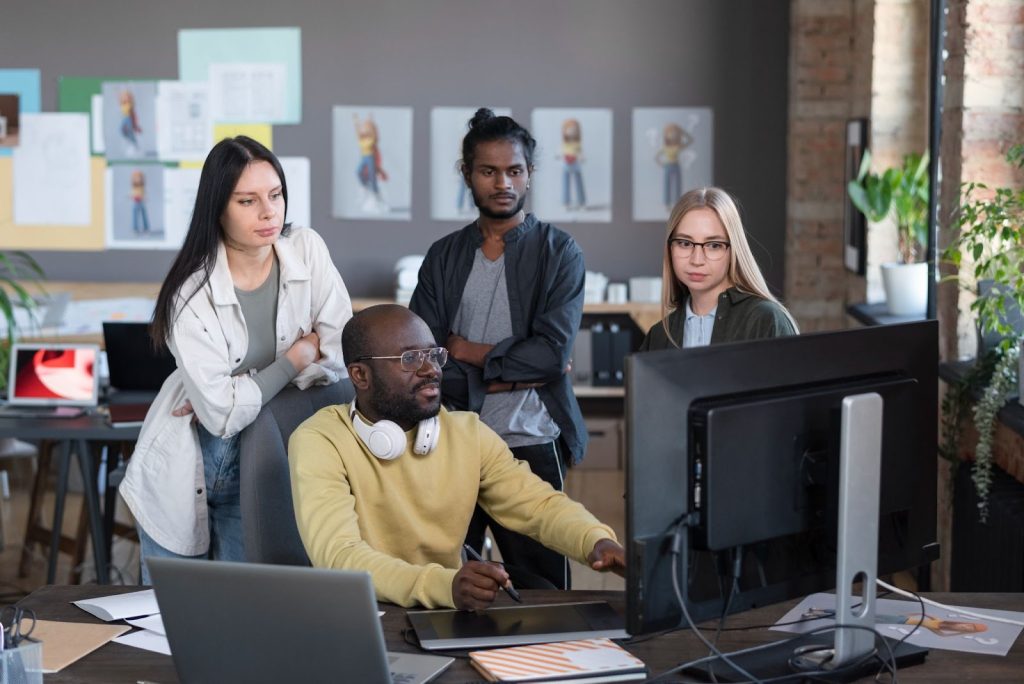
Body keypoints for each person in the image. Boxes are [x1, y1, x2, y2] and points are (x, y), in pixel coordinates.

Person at [120, 136, 353, 584]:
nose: (269, 212)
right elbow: (222, 415)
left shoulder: (306, 248)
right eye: (248, 201)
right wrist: (296, 356)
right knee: (172, 624)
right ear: (218, 209)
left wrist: (250, 384)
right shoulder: (190, 293)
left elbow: (341, 356)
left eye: (275, 195)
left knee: (248, 614)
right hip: (193, 458)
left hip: (267, 458)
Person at [288, 305, 625, 610]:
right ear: (360, 375)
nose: (430, 370)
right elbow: (340, 556)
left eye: (433, 354)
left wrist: (595, 539)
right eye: (409, 359)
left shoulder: (467, 432)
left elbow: (538, 505)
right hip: (364, 613)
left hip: (446, 605)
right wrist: (443, 585)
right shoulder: (320, 440)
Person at [408, 108, 587, 590]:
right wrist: (511, 370)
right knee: (449, 586)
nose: (502, 182)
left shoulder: (559, 252)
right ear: (468, 174)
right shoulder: (443, 256)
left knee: (544, 593)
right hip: (453, 442)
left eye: (515, 171)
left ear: (529, 175)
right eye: (489, 171)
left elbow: (550, 356)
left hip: (530, 442)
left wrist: (466, 350)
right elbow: (422, 360)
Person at [639, 186, 798, 351]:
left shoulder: (766, 320)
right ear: (670, 248)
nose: (697, 260)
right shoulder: (658, 336)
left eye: (714, 245)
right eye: (685, 243)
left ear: (733, 250)